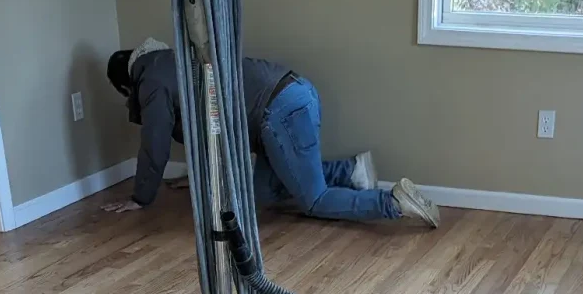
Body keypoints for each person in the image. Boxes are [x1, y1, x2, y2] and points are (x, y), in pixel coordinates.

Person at [104, 39, 439, 227]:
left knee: (314, 200)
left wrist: (140, 197)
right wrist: (197, 176)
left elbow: (155, 141)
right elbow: (211, 131)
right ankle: (349, 171)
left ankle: (393, 202)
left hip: (278, 112)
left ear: (126, 83)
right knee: (258, 193)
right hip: (297, 92)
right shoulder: (177, 59)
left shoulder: (151, 82)